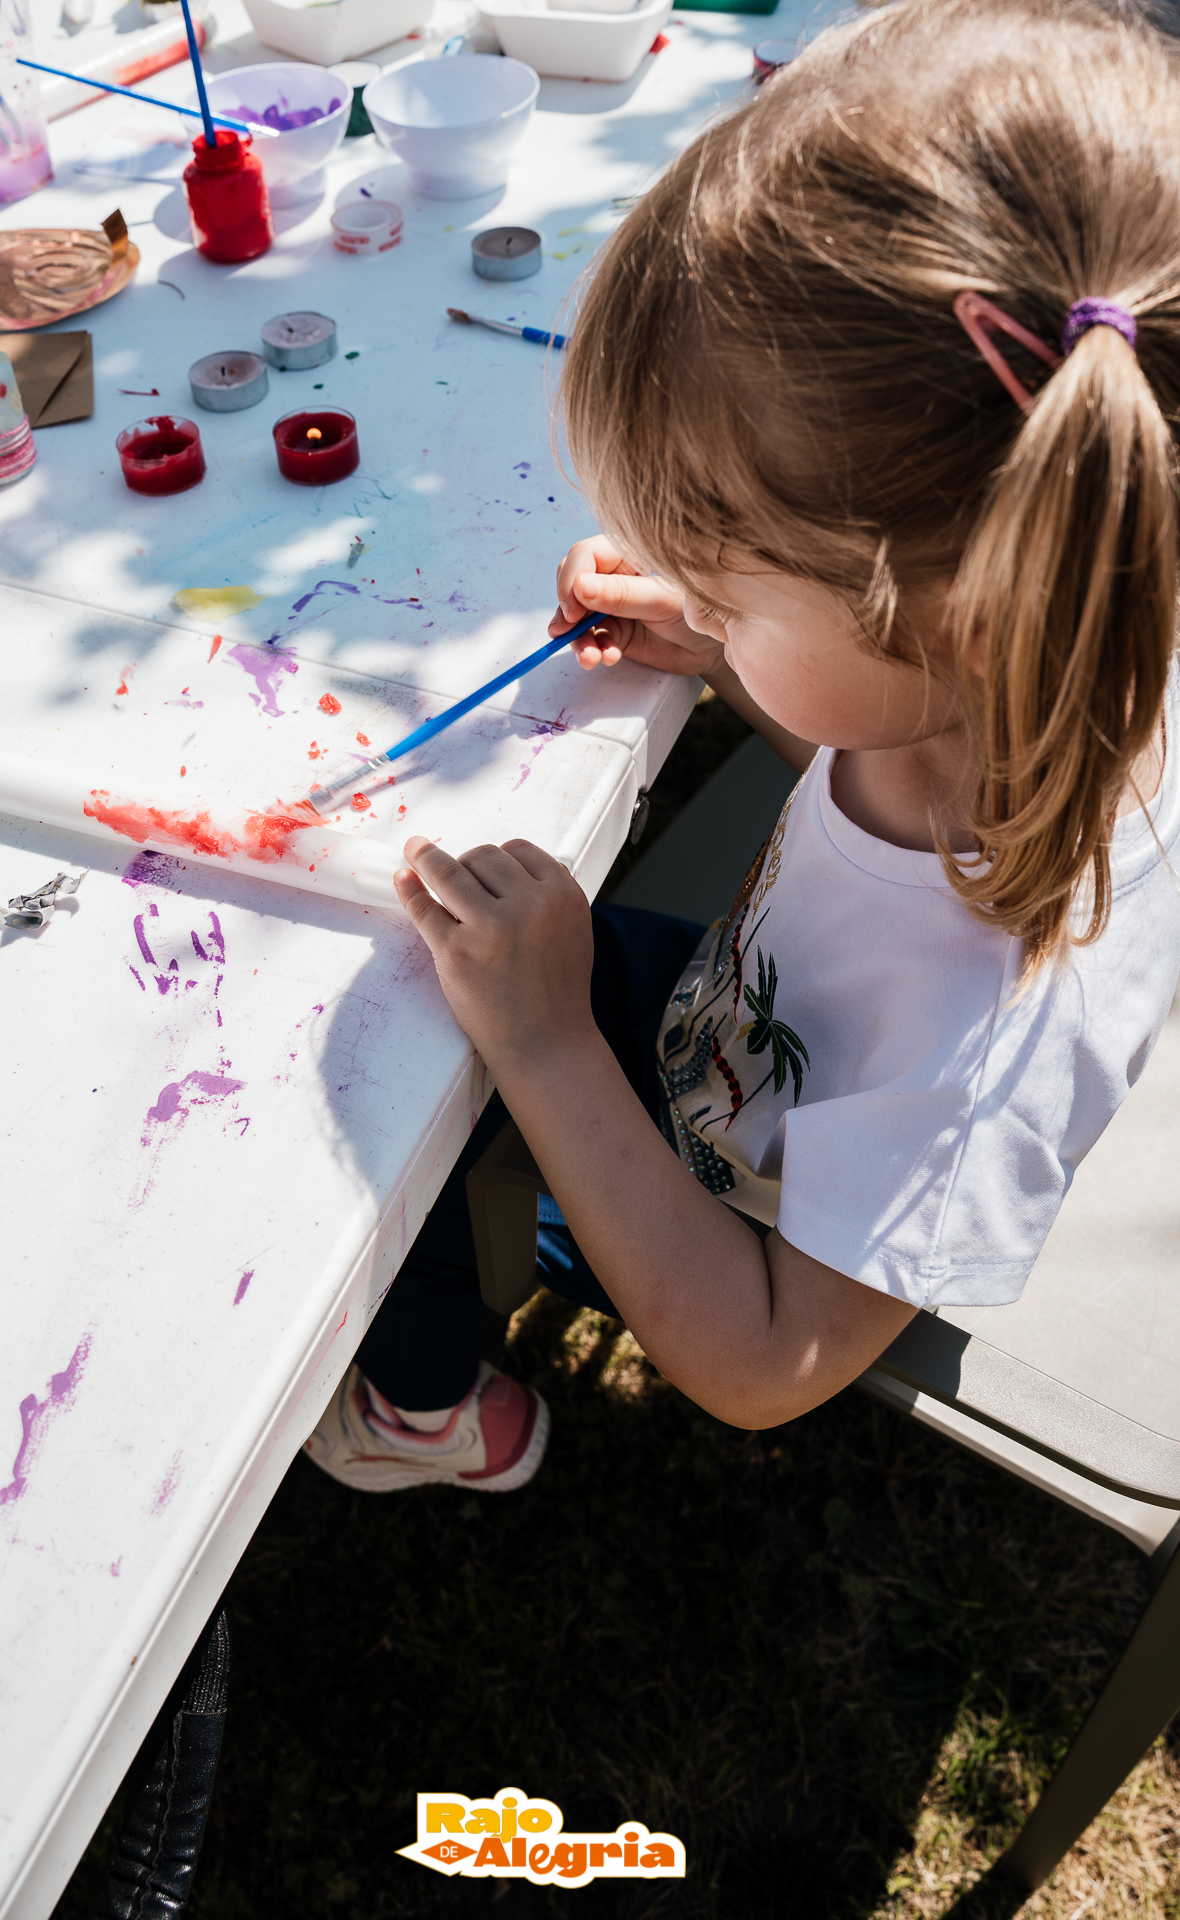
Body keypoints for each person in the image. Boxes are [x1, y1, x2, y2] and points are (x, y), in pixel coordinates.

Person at [304, 0, 1180, 1494]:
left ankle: (420, 1406)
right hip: (736, 1033)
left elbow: (764, 1364)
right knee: (404, 992)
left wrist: (550, 1045)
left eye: (728, 576)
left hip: (757, 1209)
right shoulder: (1026, 662)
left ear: (948, 616)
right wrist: (724, 649)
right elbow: (874, 748)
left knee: (417, 1085)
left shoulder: (991, 1041)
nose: (689, 589)